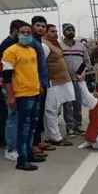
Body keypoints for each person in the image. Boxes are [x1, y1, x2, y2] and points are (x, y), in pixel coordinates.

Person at [2, 21, 45, 171]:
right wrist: (10, 96)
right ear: (17, 33)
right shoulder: (10, 51)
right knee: (22, 128)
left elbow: (34, 71)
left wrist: (39, 86)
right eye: (23, 32)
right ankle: (21, 159)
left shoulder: (32, 50)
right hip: (22, 95)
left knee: (32, 127)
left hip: (34, 93)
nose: (26, 35)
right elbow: (6, 77)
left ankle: (29, 154)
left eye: (29, 33)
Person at [41, 24, 74, 146]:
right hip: (52, 82)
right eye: (52, 31)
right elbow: (41, 65)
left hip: (60, 82)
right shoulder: (44, 45)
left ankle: (51, 135)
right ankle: (55, 137)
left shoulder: (54, 44)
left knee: (55, 109)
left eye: (56, 31)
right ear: (45, 33)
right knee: (51, 109)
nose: (55, 33)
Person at [61, 23, 91, 138]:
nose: (70, 31)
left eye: (72, 29)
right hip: (66, 80)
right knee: (67, 105)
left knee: (78, 104)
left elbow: (87, 61)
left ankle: (78, 125)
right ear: (64, 32)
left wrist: (82, 72)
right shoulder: (60, 46)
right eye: (68, 30)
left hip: (78, 80)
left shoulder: (81, 46)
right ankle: (70, 127)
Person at [0, 19, 24, 161]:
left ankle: (15, 145)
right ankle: (10, 148)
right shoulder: (8, 46)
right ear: (15, 31)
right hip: (8, 85)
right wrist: (9, 92)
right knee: (12, 116)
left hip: (16, 84)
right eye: (22, 32)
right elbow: (7, 71)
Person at [30, 16, 52, 158]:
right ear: (33, 26)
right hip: (34, 85)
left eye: (43, 26)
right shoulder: (31, 43)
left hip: (43, 83)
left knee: (39, 115)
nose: (41, 28)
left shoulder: (39, 42)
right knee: (33, 116)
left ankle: (37, 141)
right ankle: (32, 145)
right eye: (38, 25)